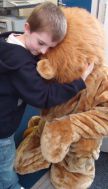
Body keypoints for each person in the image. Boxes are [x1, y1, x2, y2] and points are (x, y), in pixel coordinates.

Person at [0, 2, 94, 189]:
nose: (43, 52)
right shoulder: (20, 64)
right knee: (5, 162)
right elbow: (42, 96)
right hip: (2, 127)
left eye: (50, 47)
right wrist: (79, 81)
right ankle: (11, 185)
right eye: (41, 43)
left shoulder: (9, 40)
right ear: (27, 28)